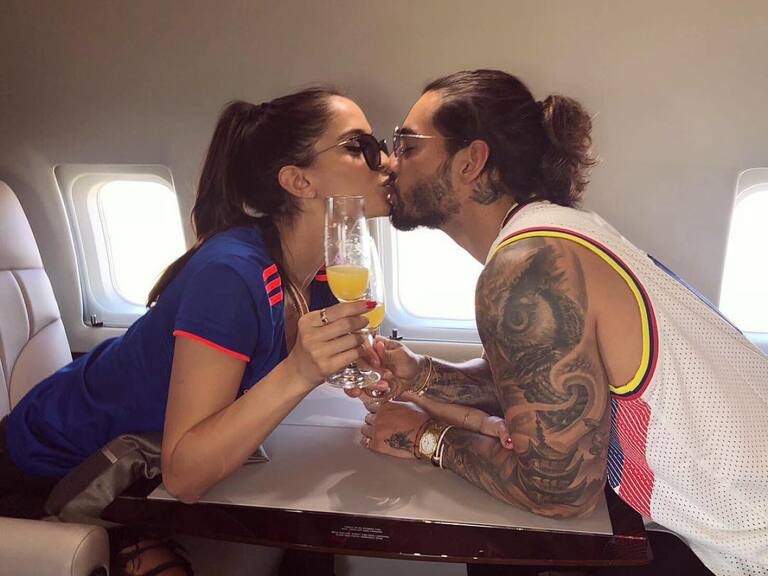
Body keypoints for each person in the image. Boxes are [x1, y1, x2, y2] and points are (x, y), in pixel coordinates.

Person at [357, 70, 768, 576]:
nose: (390, 162)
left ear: (470, 162)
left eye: (406, 144)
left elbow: (559, 492)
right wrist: (421, 375)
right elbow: (540, 386)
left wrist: (426, 438)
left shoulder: (528, 267)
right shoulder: (560, 228)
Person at [0, 87, 392, 575]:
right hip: (55, 469)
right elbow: (185, 475)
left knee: (311, 547)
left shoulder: (322, 275)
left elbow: (315, 367)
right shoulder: (230, 274)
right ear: (298, 181)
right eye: (359, 146)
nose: (386, 161)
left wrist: (363, 368)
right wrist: (300, 370)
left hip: (141, 464)